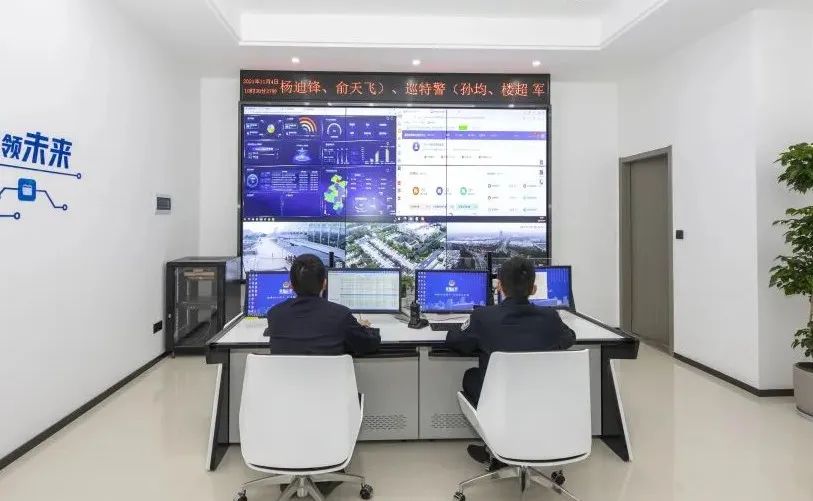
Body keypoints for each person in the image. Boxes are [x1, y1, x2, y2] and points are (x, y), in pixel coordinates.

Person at [445, 256, 576, 467]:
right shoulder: (550, 317)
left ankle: (496, 446)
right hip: (541, 396)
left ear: (499, 286)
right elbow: (569, 337)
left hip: (499, 398)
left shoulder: (482, 317)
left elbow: (455, 341)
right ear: (533, 289)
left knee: (471, 376)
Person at [266, 253, 381, 355]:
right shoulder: (341, 315)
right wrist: (362, 328)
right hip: (329, 373)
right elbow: (369, 344)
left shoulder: (274, 314)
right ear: (324, 283)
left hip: (286, 374)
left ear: (291, 285)